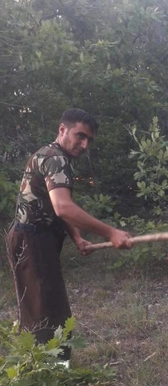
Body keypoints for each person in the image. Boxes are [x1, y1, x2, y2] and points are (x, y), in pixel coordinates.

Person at [6, 108, 133, 363]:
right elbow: (63, 207)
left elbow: (56, 208)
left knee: (43, 308)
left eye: (89, 140)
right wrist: (111, 232)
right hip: (32, 241)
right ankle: (49, 377)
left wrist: (76, 237)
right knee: (47, 314)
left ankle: (43, 372)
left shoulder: (52, 154)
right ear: (62, 129)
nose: (84, 145)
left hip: (34, 239)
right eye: (80, 136)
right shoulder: (56, 158)